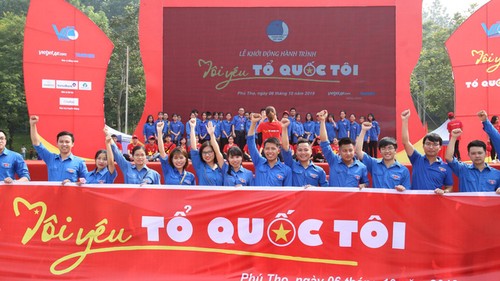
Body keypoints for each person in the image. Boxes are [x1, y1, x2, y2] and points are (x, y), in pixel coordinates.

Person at [401, 109, 453, 194]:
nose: (431, 147)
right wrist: (405, 120)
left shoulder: (446, 167)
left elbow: (449, 187)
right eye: (428, 144)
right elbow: (405, 142)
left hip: (435, 205)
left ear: (440, 147)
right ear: (423, 146)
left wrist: (444, 191)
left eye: (435, 144)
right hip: (416, 203)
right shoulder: (416, 159)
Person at [30, 115, 87, 183]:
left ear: (72, 144)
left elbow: (87, 181)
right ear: (57, 143)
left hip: (70, 193)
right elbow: (36, 143)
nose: (64, 144)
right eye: (61, 142)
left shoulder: (79, 162)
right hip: (52, 193)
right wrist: (33, 125)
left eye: (67, 142)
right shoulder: (50, 158)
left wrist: (73, 184)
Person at [318, 110, 368, 188]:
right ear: (339, 151)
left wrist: (364, 185)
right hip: (333, 199)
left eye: (350, 150)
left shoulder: (362, 167)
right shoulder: (333, 160)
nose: (348, 153)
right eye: (344, 151)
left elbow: (365, 182)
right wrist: (322, 121)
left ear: (354, 150)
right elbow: (324, 142)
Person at [355, 122, 410, 190]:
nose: (387, 151)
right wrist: (363, 131)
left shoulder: (403, 170)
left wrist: (402, 189)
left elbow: (407, 191)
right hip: (376, 200)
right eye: (383, 148)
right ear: (380, 151)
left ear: (395, 150)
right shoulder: (374, 164)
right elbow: (358, 151)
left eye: (390, 148)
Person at [446, 128, 500, 193]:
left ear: (485, 154)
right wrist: (454, 137)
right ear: (468, 154)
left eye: (480, 153)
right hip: (466, 203)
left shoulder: (497, 174)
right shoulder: (463, 169)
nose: (477, 156)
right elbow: (449, 158)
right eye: (473, 153)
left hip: (488, 203)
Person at [247, 113, 292, 186]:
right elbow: (250, 143)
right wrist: (253, 123)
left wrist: (284, 128)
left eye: (273, 149)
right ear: (264, 150)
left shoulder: (286, 170)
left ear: (278, 150)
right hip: (259, 197)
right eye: (267, 148)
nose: (270, 151)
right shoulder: (259, 162)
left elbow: (288, 192)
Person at [281, 118, 327, 187]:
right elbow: (285, 149)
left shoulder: (319, 171)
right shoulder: (291, 165)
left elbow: (326, 190)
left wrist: (315, 189)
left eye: (306, 150)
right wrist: (284, 128)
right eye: (300, 150)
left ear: (311, 151)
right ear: (296, 152)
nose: (303, 153)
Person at [208, 122, 253, 187]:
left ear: (241, 157)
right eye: (232, 157)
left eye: (237, 157)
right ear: (228, 159)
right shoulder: (225, 169)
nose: (235, 160)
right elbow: (217, 151)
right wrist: (212, 135)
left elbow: (252, 192)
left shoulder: (248, 174)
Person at [189, 117, 223, 185]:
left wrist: (212, 135)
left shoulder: (221, 166)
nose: (207, 155)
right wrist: (192, 128)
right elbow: (194, 148)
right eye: (204, 153)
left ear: (214, 153)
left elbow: (217, 151)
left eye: (209, 152)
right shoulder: (200, 166)